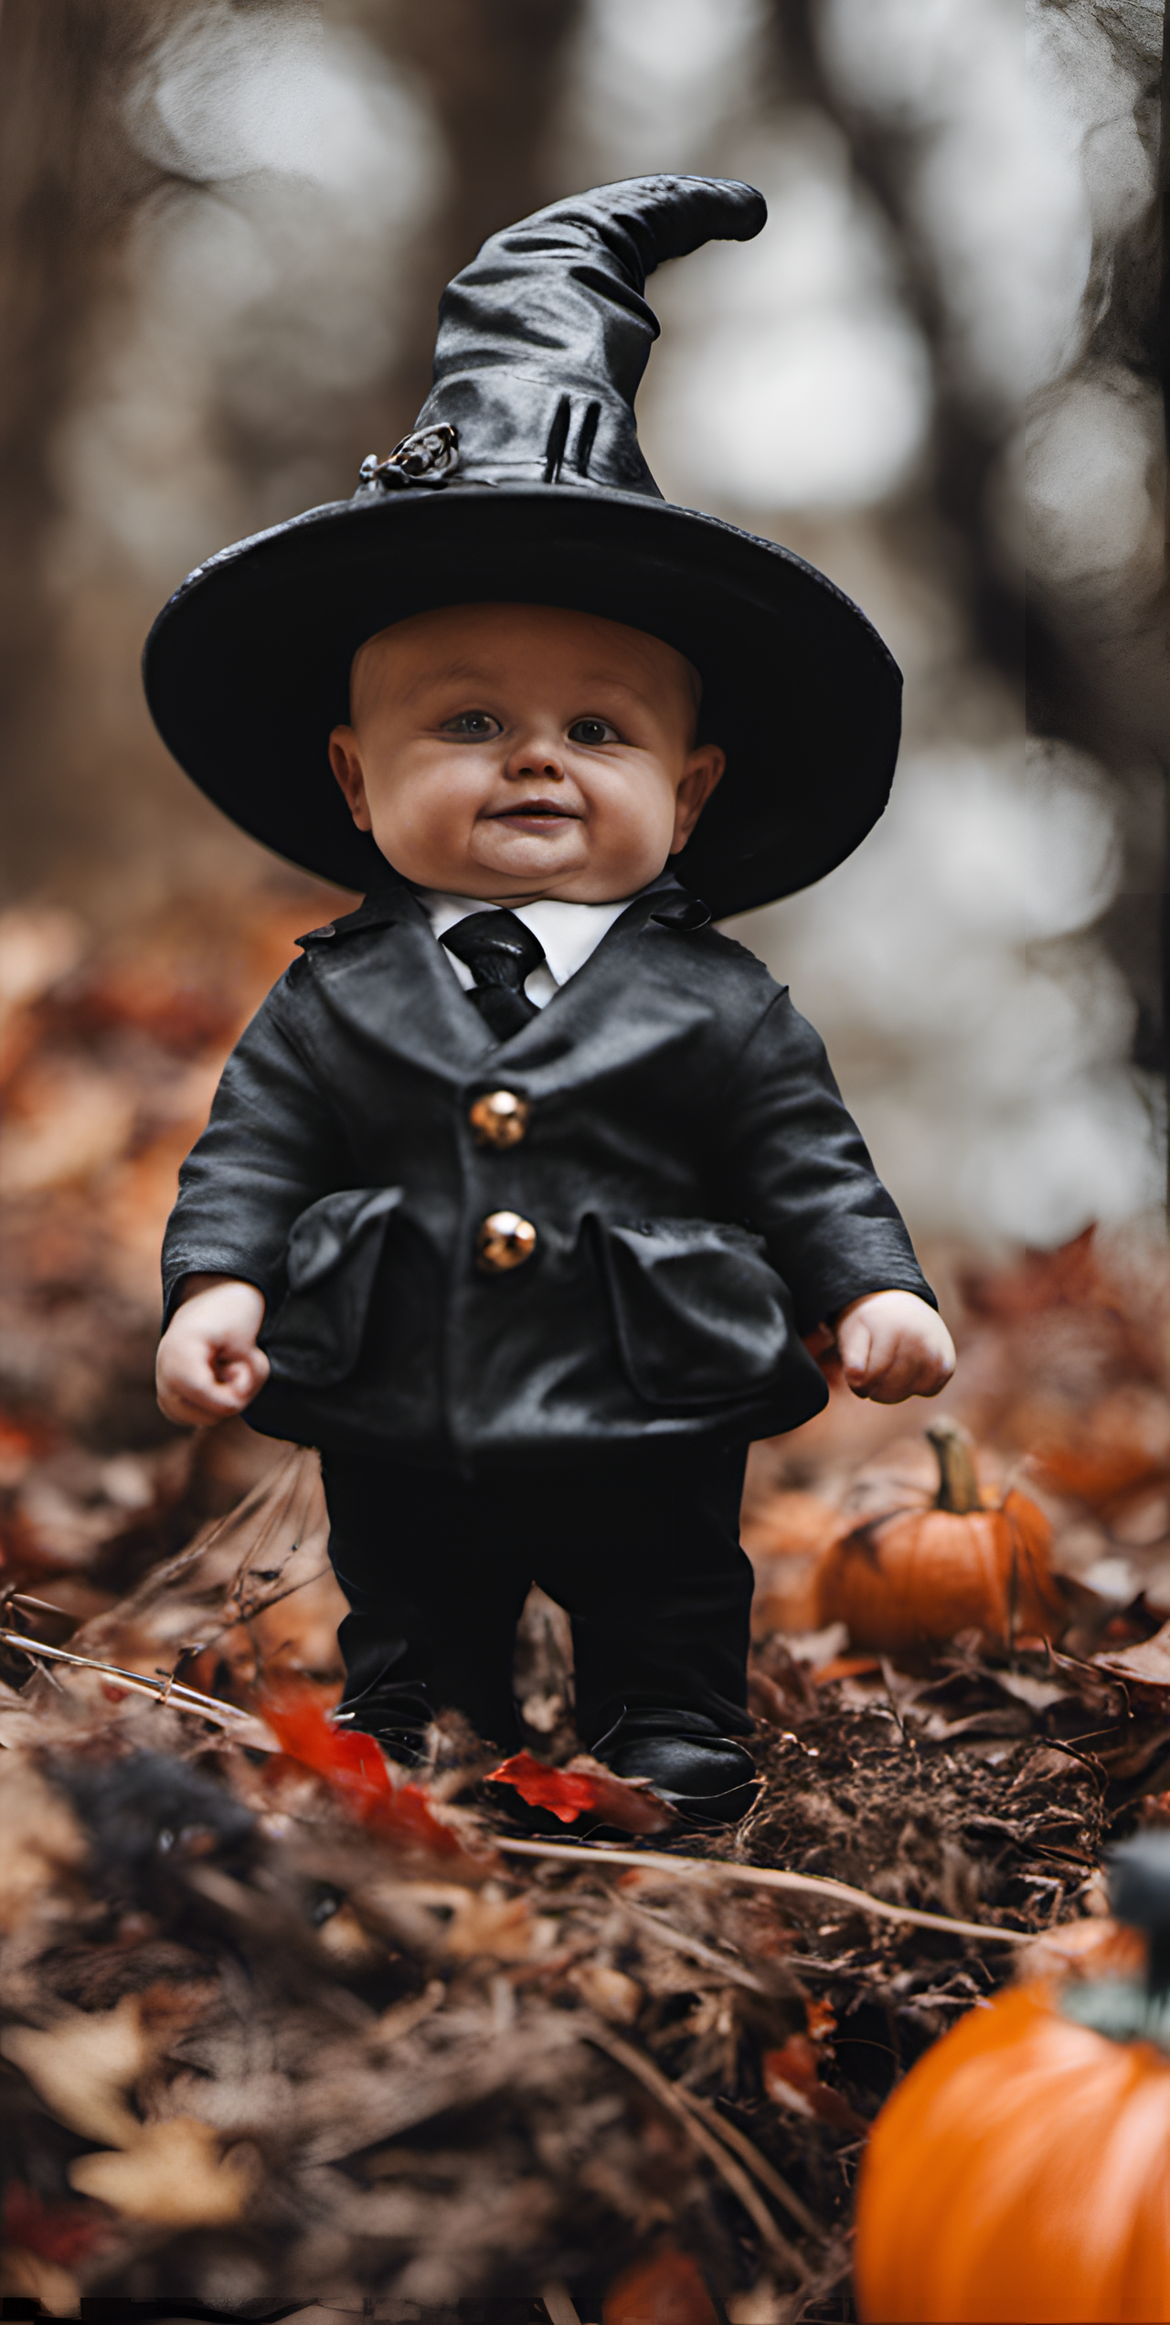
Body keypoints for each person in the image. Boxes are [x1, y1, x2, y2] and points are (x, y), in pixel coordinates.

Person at [148, 174, 954, 1826]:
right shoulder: (333, 998)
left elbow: (804, 1158)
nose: (533, 758)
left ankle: (668, 1721)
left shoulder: (719, 1006)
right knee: (411, 1581)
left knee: (660, 1575)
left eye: (599, 732)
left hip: (645, 1376)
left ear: (692, 788)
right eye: (466, 724)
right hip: (398, 1377)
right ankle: (421, 1706)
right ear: (354, 784)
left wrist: (869, 1287)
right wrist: (214, 1287)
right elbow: (253, 1150)